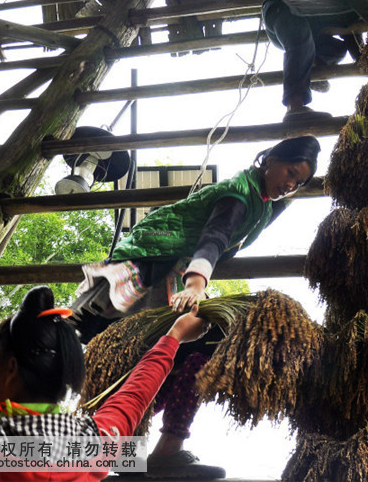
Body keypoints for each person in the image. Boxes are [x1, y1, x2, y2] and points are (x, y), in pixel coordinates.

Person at [68, 135, 321, 478]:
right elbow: (215, 236)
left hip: (175, 268)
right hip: (154, 262)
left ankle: (156, 448)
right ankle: (132, 447)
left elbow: (271, 207)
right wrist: (196, 284)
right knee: (170, 349)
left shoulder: (264, 201)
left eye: (299, 182)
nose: (291, 184)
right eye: (290, 172)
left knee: (192, 356)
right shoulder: (239, 194)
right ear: (271, 159)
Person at [0, 286, 210, 481]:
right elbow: (134, 395)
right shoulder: (94, 443)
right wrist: (175, 336)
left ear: (10, 369)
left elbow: (133, 396)